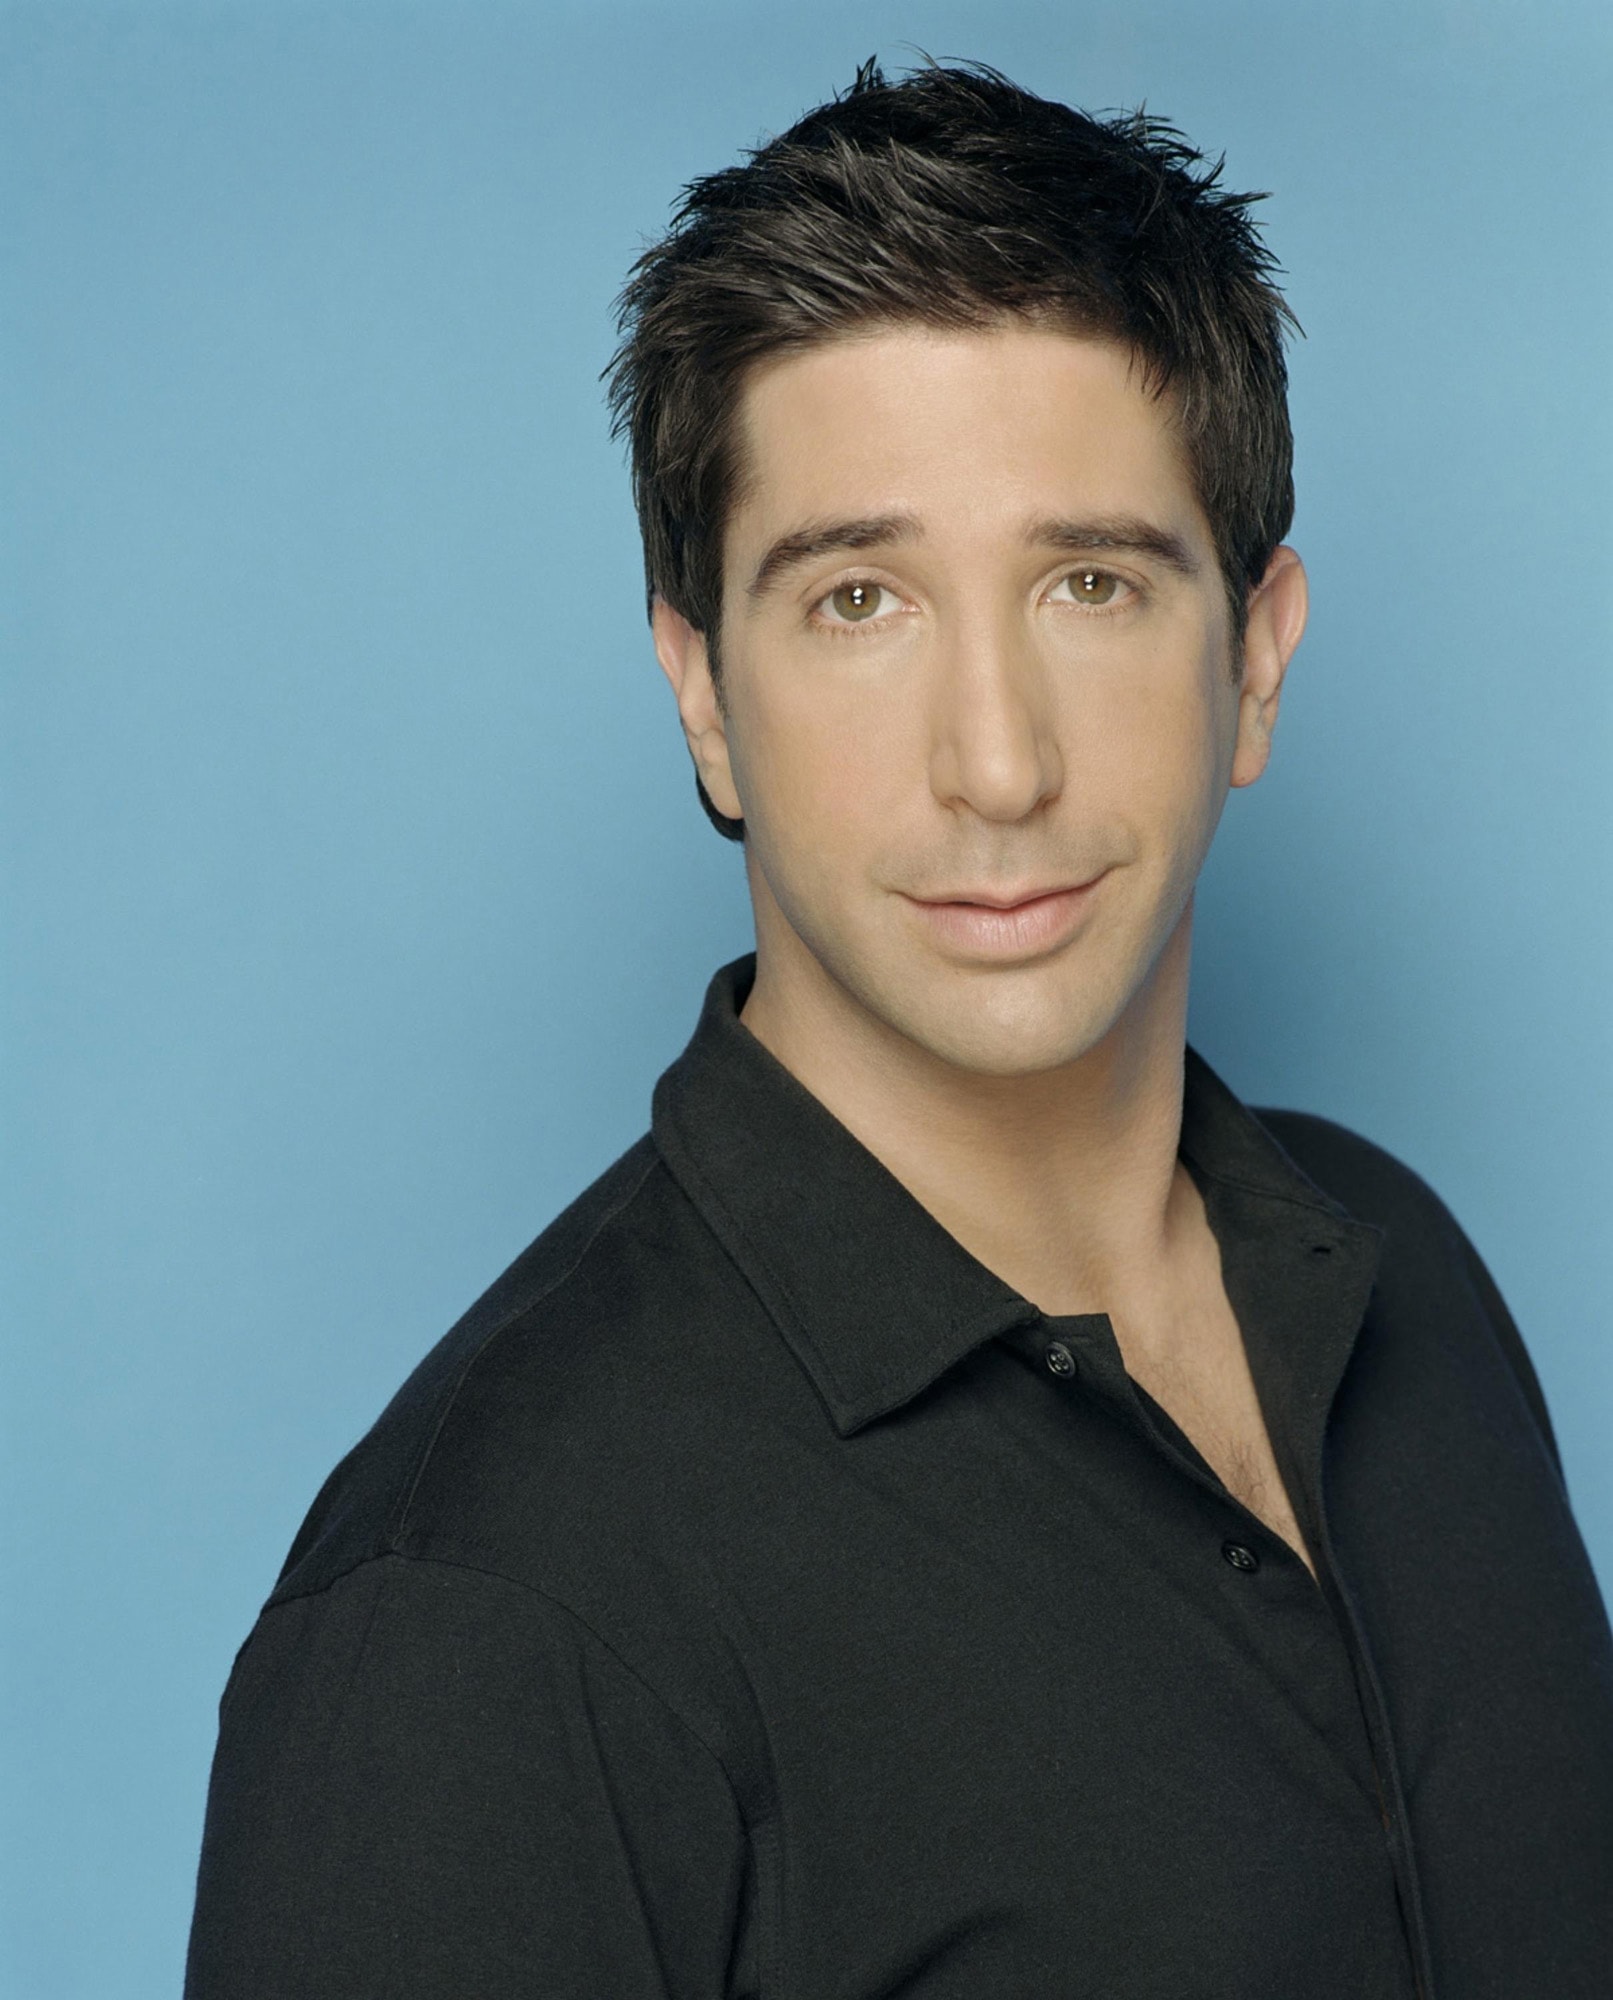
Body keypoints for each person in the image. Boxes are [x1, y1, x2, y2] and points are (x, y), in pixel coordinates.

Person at [183, 58, 1613, 1998]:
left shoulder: (1406, 1280)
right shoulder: (483, 1608)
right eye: (858, 600)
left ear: (1255, 662)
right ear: (705, 697)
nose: (996, 764)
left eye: (1091, 583)